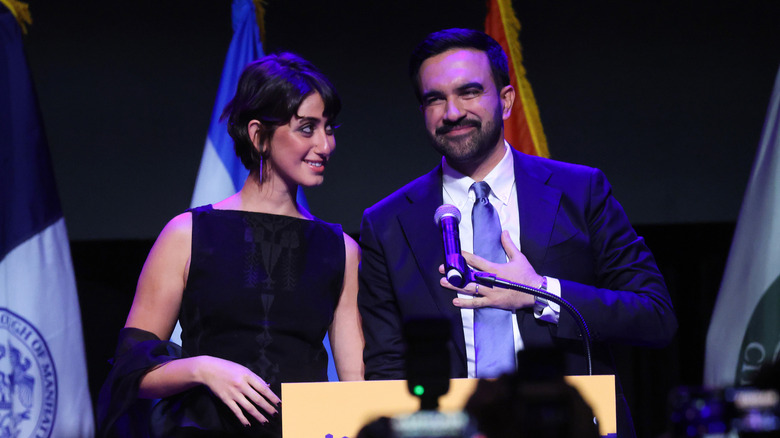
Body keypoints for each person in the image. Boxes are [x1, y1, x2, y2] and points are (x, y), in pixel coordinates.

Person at [357, 28, 677, 437]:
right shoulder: (387, 222)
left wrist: (541, 292)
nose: (451, 112)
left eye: (469, 92)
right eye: (435, 98)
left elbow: (655, 316)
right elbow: (387, 366)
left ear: (506, 100)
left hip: (570, 425)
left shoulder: (581, 191)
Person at [97, 52, 364, 438]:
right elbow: (131, 371)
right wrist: (203, 368)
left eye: (329, 128)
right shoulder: (187, 233)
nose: (326, 144)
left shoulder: (341, 248)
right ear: (258, 135)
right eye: (307, 128)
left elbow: (354, 382)